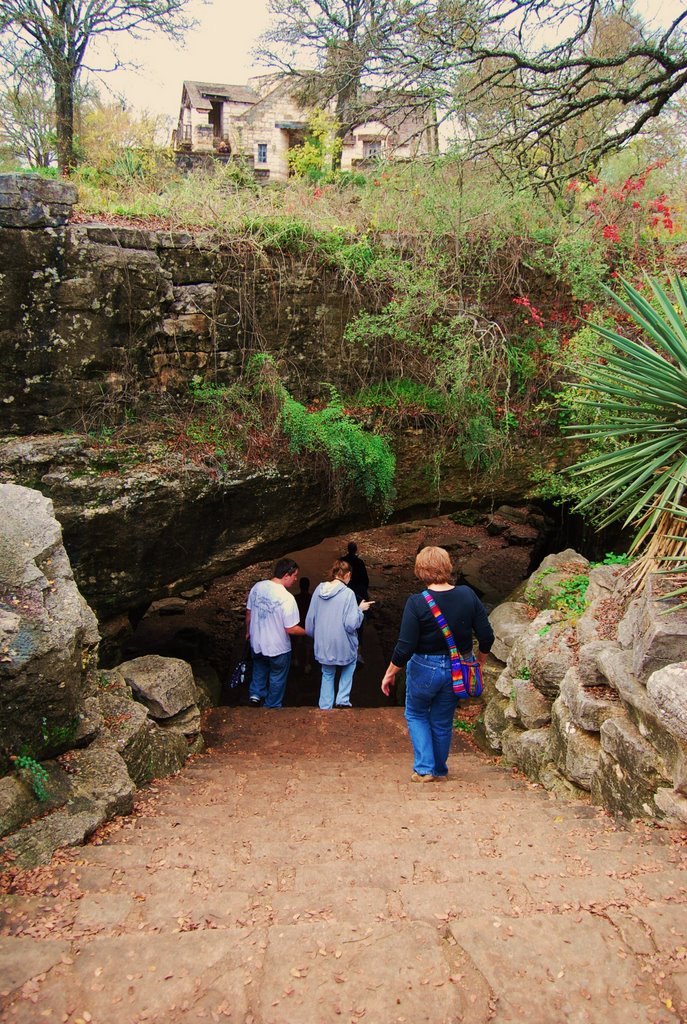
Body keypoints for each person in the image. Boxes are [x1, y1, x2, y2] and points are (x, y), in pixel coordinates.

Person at [381, 546, 494, 781]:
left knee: (416, 713)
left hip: (424, 667)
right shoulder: (467, 595)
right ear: (447, 566)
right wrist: (478, 661)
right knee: (442, 719)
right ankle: (439, 769)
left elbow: (405, 646)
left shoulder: (417, 603)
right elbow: (486, 636)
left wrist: (390, 673)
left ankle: (424, 768)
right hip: (458, 666)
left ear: (420, 571)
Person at [306, 559, 373, 709]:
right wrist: (360, 610)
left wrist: (315, 637)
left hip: (323, 643)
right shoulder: (348, 594)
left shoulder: (319, 589)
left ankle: (325, 706)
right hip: (343, 643)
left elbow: (310, 620)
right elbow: (351, 624)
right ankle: (342, 700)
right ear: (347, 575)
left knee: (327, 673)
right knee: (350, 663)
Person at [246, 558, 306, 708]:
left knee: (259, 668)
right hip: (278, 647)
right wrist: (309, 632)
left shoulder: (257, 587)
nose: (295, 579)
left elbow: (249, 613)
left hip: (257, 642)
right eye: (294, 575)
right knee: (277, 676)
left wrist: (248, 632)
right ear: (286, 575)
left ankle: (255, 695)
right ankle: (271, 705)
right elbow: (291, 628)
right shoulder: (287, 598)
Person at [341, 540, 370, 664]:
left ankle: (343, 651)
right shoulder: (359, 563)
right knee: (359, 625)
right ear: (356, 549)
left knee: (342, 623)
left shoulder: (342, 561)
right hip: (358, 594)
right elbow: (365, 580)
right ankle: (358, 654)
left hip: (344, 594)